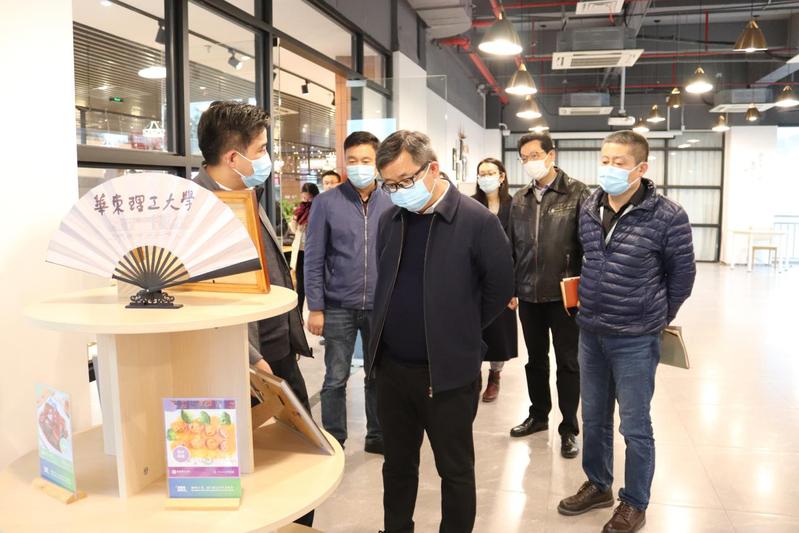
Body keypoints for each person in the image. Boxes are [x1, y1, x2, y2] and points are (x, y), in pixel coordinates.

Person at [368, 131, 514, 533]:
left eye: (405, 181)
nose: (397, 192)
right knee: (397, 466)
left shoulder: (477, 221)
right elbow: (387, 281)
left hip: (447, 374)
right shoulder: (390, 219)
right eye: (389, 185)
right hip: (393, 371)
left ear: (432, 169)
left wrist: (458, 327)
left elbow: (500, 287)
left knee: (455, 470)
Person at [557, 131, 696, 533]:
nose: (609, 168)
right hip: (591, 331)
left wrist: (656, 316)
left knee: (635, 425)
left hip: (636, 337)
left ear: (641, 168)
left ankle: (634, 502)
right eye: (605, 160)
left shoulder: (667, 215)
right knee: (594, 417)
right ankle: (599, 484)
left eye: (619, 163)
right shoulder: (589, 205)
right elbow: (585, 258)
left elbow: (682, 276)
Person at [193, 101, 314, 526]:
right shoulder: (196, 212)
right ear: (233, 157)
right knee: (256, 467)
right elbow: (202, 300)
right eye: (261, 149)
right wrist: (251, 359)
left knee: (301, 455)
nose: (267, 158)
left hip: (279, 350)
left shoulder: (246, 193)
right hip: (243, 363)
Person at [304, 131, 393, 453]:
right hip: (338, 305)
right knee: (335, 377)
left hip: (380, 306)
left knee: (377, 375)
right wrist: (316, 307)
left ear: (377, 162)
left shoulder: (393, 201)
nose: (359, 166)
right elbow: (313, 258)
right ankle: (335, 439)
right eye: (352, 160)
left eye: (366, 160)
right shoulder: (326, 203)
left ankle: (377, 435)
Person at [508, 133, 589, 460]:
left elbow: (590, 247)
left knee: (568, 362)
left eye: (535, 155)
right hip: (529, 293)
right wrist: (511, 287)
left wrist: (586, 289)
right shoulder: (520, 199)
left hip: (565, 295)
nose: (530, 162)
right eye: (524, 157)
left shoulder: (578, 193)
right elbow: (512, 247)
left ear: (551, 155)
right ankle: (538, 414)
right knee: (535, 360)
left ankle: (568, 428)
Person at [472, 157, 518, 402]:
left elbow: (521, 247)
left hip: (503, 279)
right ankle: (474, 374)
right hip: (475, 279)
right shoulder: (471, 204)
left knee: (500, 332)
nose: (486, 177)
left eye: (491, 173)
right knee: (475, 328)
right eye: (482, 173)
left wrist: (514, 290)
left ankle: (495, 376)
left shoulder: (515, 205)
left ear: (501, 177)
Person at [289, 182, 320, 313]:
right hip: (301, 251)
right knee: (300, 284)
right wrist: (295, 217)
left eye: (309, 198)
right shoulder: (300, 210)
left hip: (314, 251)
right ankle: (299, 314)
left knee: (314, 283)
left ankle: (316, 311)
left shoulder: (319, 208)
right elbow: (294, 229)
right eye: (304, 197)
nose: (306, 200)